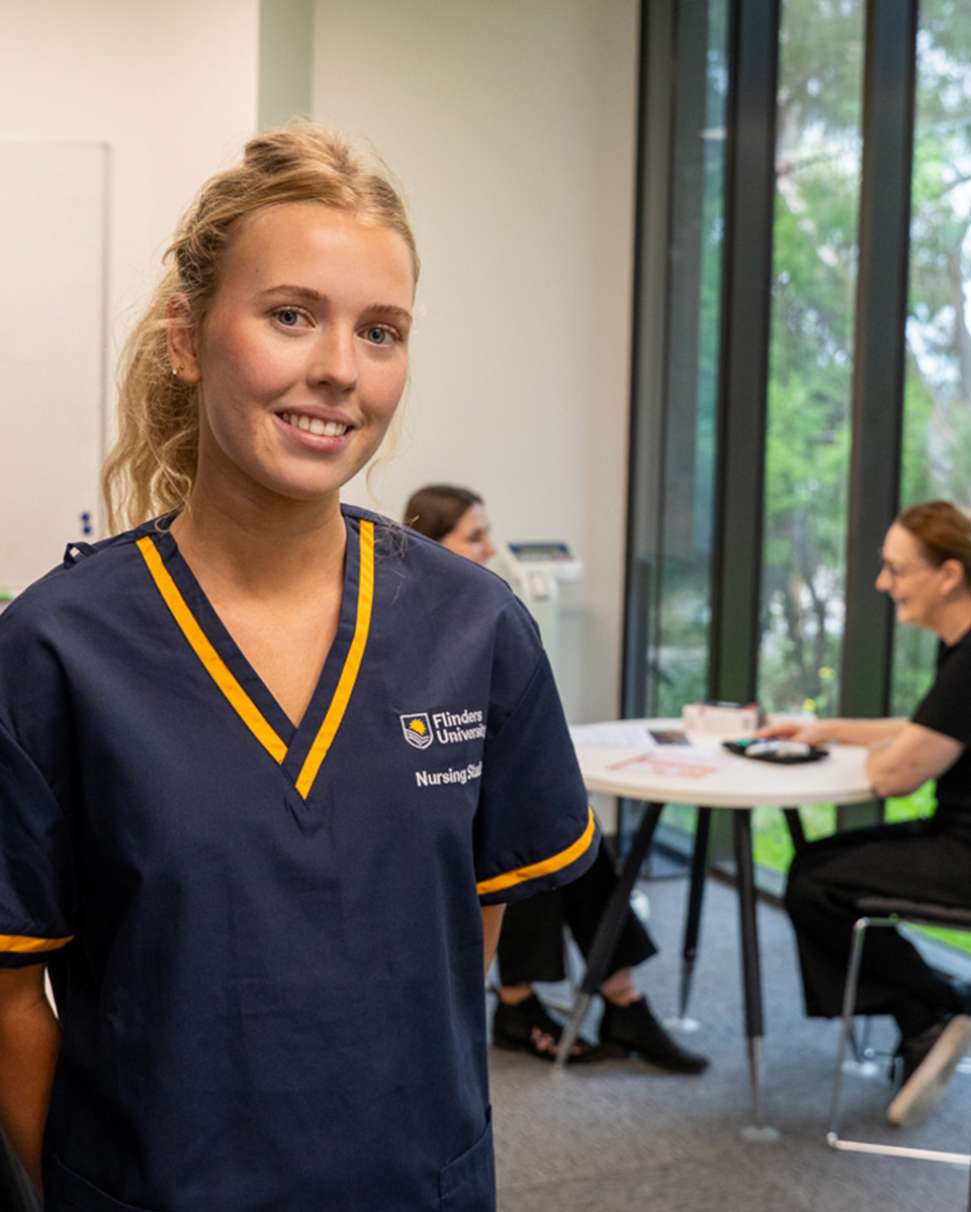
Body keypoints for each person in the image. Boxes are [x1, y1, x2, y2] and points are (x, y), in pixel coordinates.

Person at [0, 125, 601, 1212]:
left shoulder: (476, 633)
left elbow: (459, 950)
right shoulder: (55, 649)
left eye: (381, 332)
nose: (338, 368)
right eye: (291, 315)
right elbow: (8, 1001)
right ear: (187, 340)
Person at [404, 484, 709, 1073]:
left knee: (563, 826)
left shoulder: (478, 616)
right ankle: (560, 1002)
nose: (492, 548)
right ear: (430, 545)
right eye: (475, 537)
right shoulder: (405, 626)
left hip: (480, 791)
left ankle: (606, 998)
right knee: (532, 832)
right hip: (434, 806)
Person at [763, 500, 971, 1127]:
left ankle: (938, 1005)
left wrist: (877, 752)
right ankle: (925, 1017)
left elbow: (899, 773)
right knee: (820, 866)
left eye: (897, 569)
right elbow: (927, 729)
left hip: (965, 853)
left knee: (814, 881)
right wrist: (825, 730)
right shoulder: (959, 648)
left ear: (949, 575)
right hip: (956, 834)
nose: (884, 584)